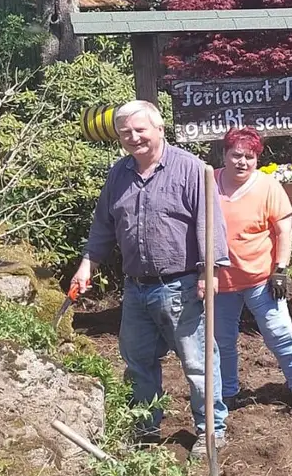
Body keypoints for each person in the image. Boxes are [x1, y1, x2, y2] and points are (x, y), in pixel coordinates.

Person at [72, 99, 230, 449]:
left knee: (198, 362)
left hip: (183, 285)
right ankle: (145, 429)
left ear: (159, 129)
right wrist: (88, 264)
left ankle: (211, 430)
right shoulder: (119, 173)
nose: (133, 137)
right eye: (125, 132)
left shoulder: (191, 169)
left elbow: (210, 223)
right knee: (138, 362)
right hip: (136, 289)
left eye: (140, 130)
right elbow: (104, 224)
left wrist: (209, 271)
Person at [212, 127, 292, 417]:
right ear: (224, 155)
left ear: (257, 158)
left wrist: (280, 269)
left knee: (279, 333)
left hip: (260, 279)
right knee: (222, 341)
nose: (242, 162)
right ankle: (228, 393)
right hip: (221, 281)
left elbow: (283, 230)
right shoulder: (209, 183)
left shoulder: (268, 186)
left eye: (249, 156)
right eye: (236, 155)